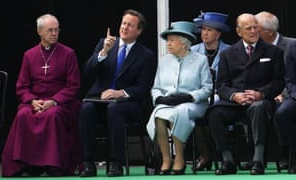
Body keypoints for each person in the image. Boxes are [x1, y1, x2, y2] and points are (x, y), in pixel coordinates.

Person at [78, 9, 157, 177]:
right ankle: (88, 163)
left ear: (139, 31)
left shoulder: (146, 55)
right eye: (123, 23)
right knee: (86, 109)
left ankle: (116, 163)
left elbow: (143, 87)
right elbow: (87, 70)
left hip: (127, 104)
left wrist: (119, 93)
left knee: (114, 110)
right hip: (100, 99)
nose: (125, 27)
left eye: (130, 25)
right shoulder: (105, 44)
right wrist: (104, 52)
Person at [1, 14, 81, 177]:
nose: (54, 33)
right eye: (50, 30)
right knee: (23, 114)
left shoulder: (68, 53)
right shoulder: (29, 55)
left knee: (52, 116)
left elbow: (73, 85)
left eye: (56, 30)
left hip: (60, 103)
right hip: (35, 101)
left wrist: (54, 101)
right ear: (39, 32)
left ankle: (52, 165)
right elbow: (22, 86)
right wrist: (32, 101)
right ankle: (26, 166)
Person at [206, 13, 285, 175]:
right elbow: (221, 85)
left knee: (258, 108)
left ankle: (258, 160)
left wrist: (261, 94)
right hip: (235, 102)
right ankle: (228, 161)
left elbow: (278, 82)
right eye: (248, 28)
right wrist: (234, 95)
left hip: (260, 100)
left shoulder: (273, 51)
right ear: (239, 32)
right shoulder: (227, 54)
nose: (253, 31)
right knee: (214, 113)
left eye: (255, 27)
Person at [146, 21, 213, 175]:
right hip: (169, 103)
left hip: (194, 104)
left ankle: (180, 158)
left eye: (171, 40)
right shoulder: (164, 60)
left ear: (183, 43)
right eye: (167, 40)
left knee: (180, 111)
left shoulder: (200, 60)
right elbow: (156, 87)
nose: (168, 44)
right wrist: (160, 99)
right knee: (158, 115)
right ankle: (166, 159)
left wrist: (190, 96)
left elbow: (207, 88)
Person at [253, 11, 296, 170]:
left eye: (256, 28)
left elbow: (288, 76)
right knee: (259, 108)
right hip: (268, 93)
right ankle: (258, 157)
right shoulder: (254, 47)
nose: (252, 32)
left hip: (284, 93)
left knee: (282, 109)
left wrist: (284, 93)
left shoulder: (290, 44)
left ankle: (286, 153)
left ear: (269, 32)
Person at [190, 11, 231, 171]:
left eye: (210, 30)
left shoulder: (229, 51)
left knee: (213, 109)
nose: (205, 33)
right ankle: (205, 155)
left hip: (221, 94)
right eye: (203, 29)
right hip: (199, 93)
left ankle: (223, 157)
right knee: (193, 110)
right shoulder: (192, 51)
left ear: (218, 33)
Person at [275, 40, 296, 174]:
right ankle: (294, 155)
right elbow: (289, 79)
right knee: (283, 112)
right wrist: (294, 94)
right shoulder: (293, 46)